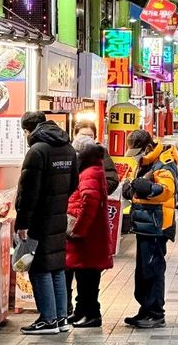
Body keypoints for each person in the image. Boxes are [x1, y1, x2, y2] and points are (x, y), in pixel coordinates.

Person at [15, 112, 78, 335]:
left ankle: (48, 320)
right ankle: (61, 318)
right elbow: (73, 184)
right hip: (58, 215)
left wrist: (22, 223)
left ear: (29, 130)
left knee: (40, 268)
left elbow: (28, 193)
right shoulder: (68, 148)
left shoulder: (37, 151)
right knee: (57, 267)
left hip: (39, 219)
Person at [122, 130, 178, 329]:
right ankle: (145, 309)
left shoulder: (164, 161)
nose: (135, 155)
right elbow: (134, 188)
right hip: (144, 223)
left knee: (153, 269)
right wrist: (131, 189)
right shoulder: (145, 162)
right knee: (143, 271)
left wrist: (147, 187)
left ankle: (155, 313)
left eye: (138, 151)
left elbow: (168, 190)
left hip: (157, 224)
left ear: (147, 147)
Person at [65, 138, 113, 328]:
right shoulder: (90, 170)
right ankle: (81, 311)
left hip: (88, 237)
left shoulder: (90, 172)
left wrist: (78, 230)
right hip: (88, 236)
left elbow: (89, 202)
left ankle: (92, 314)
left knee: (88, 278)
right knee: (84, 276)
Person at [72, 120, 119, 195]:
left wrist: (94, 191)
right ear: (75, 135)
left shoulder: (100, 153)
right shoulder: (67, 152)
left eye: (90, 136)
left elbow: (112, 180)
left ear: (94, 137)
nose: (86, 139)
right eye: (83, 135)